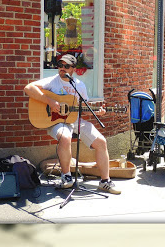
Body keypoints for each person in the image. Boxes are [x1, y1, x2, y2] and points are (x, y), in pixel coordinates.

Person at [24, 54, 121, 194]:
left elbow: (84, 108)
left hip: (75, 120)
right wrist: (50, 101)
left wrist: (96, 112)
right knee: (65, 138)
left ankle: (105, 181)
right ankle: (66, 177)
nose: (62, 69)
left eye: (66, 66)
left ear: (73, 69)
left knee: (101, 142)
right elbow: (28, 88)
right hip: (56, 121)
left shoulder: (79, 85)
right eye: (60, 65)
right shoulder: (52, 81)